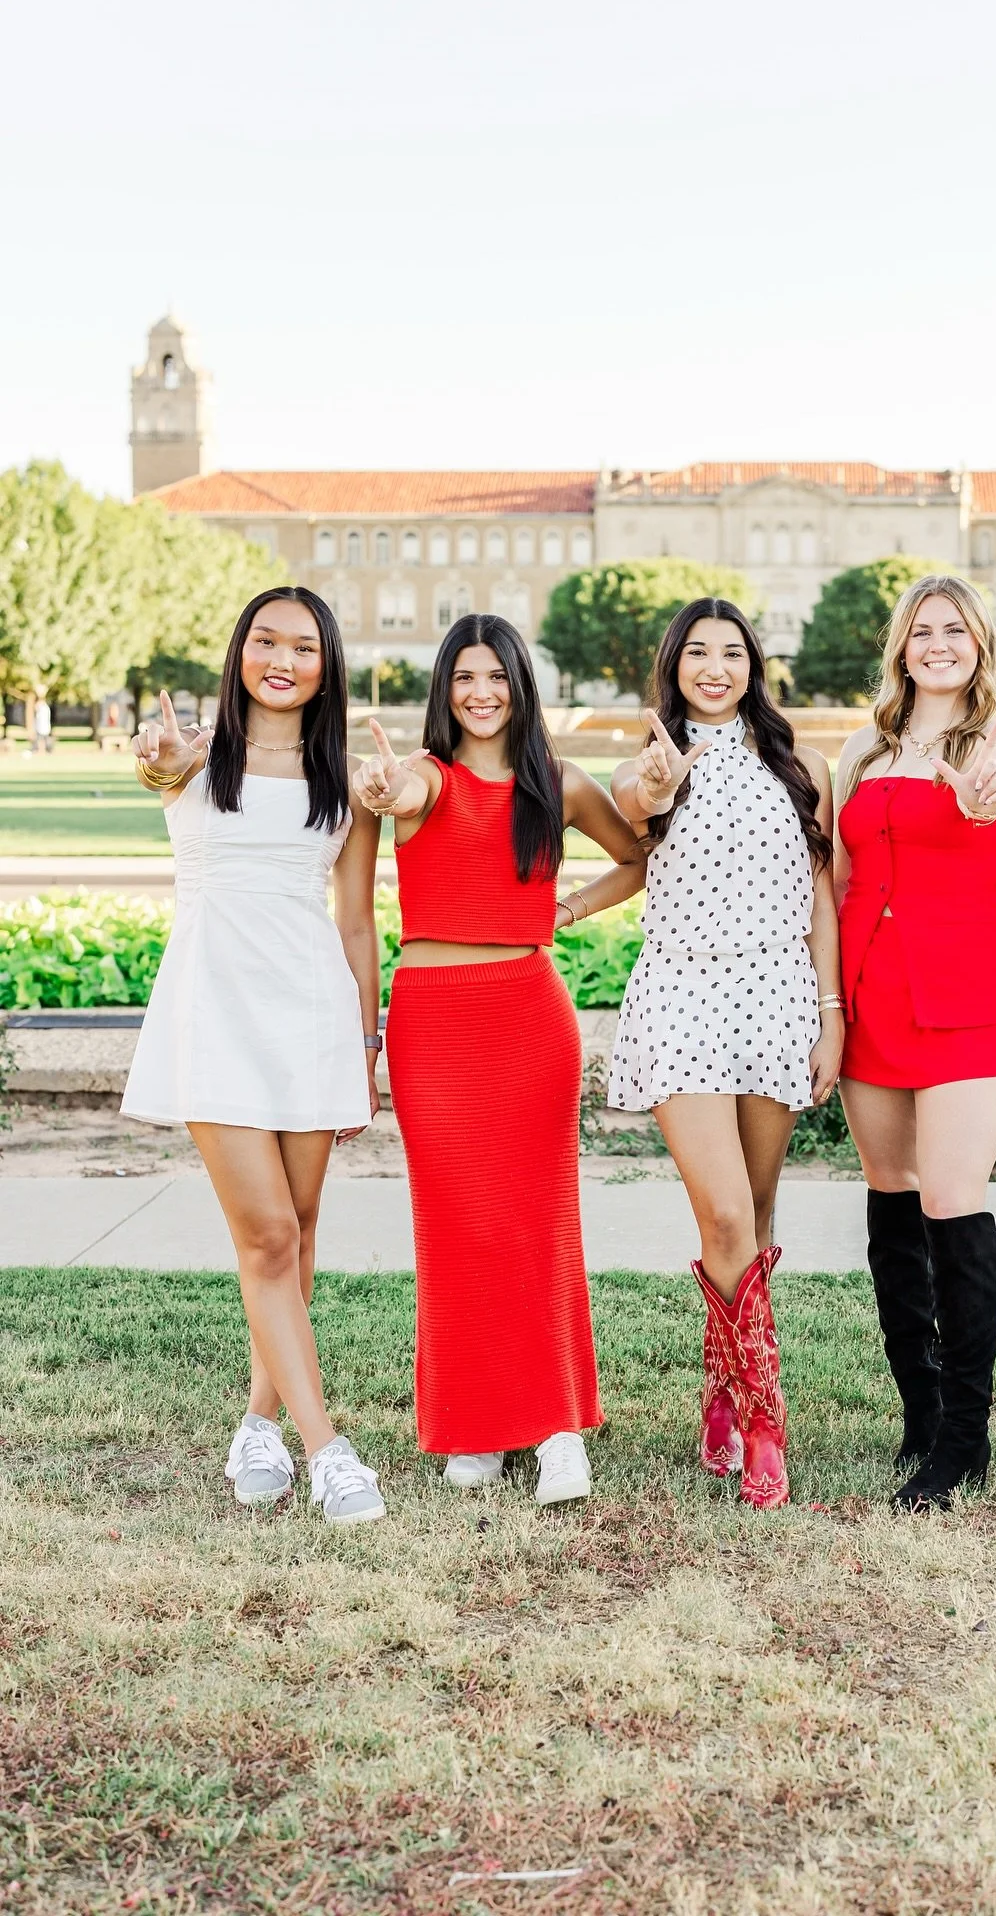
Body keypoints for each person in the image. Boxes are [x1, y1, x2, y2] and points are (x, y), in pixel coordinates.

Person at [353, 613, 645, 1507]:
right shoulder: (423, 779)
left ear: (521, 685)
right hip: (435, 1027)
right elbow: (402, 795)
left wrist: (569, 909)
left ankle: (558, 1430)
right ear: (444, 690)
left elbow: (636, 859)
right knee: (457, 1229)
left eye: (495, 676)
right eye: (463, 678)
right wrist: (386, 787)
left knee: (537, 1226)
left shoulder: (559, 781)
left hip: (529, 1019)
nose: (480, 693)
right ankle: (474, 1426)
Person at [122, 587, 387, 1525]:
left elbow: (356, 924)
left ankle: (257, 1426)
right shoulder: (194, 755)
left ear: (327, 665)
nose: (282, 660)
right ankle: (328, 1451)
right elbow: (153, 766)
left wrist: (366, 1048)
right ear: (240, 652)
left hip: (311, 1017)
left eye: (303, 646)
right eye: (266, 641)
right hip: (213, 1014)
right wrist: (156, 760)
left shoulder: (347, 780)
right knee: (268, 1234)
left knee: (299, 1229)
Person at [607, 598, 844, 1511]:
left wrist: (830, 1014)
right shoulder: (648, 764)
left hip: (777, 997)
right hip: (682, 999)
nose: (715, 667)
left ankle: (721, 1396)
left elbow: (821, 898)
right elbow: (634, 811)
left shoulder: (801, 767)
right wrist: (656, 786)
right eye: (697, 652)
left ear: (754, 666)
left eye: (732, 652)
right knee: (725, 1213)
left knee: (755, 1213)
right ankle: (765, 1423)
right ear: (673, 665)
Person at [833, 573, 996, 1511]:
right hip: (871, 998)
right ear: (901, 648)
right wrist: (830, 1007)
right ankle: (919, 1413)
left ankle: (964, 1440)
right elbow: (837, 880)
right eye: (922, 631)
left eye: (956, 630)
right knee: (891, 1202)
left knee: (953, 1204)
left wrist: (988, 793)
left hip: (964, 1001)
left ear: (979, 645)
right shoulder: (862, 749)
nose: (938, 644)